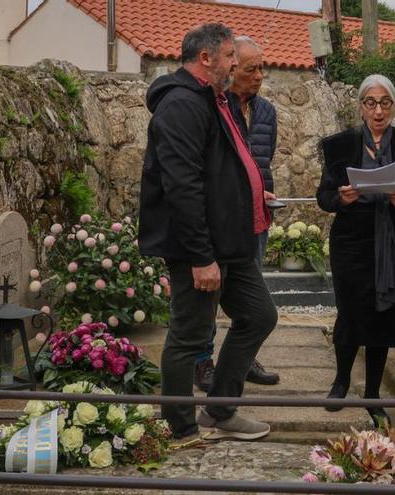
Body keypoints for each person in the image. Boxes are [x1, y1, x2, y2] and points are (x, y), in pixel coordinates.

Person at [139, 23, 278, 441]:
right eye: (230, 56)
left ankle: (219, 410)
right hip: (201, 249)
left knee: (258, 316)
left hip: (232, 241)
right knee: (190, 335)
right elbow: (182, 186)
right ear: (206, 58)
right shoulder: (181, 105)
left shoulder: (218, 100)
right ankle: (180, 427)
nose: (235, 63)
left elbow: (226, 168)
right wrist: (201, 257)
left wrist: (252, 195)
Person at [317, 74, 395, 427]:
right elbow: (323, 197)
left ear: (394, 106)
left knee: (384, 314)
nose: (378, 110)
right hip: (352, 238)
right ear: (361, 107)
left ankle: (372, 394)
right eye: (371, 102)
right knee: (351, 310)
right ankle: (340, 381)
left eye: (385, 103)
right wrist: (341, 197)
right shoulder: (339, 146)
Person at [194, 35, 280, 393]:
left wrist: (262, 192)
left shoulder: (266, 112)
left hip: (257, 217)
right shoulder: (217, 107)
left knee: (252, 298)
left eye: (262, 68)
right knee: (208, 300)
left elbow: (261, 163)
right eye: (250, 68)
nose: (259, 75)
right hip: (224, 222)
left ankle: (242, 359)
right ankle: (203, 362)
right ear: (232, 71)